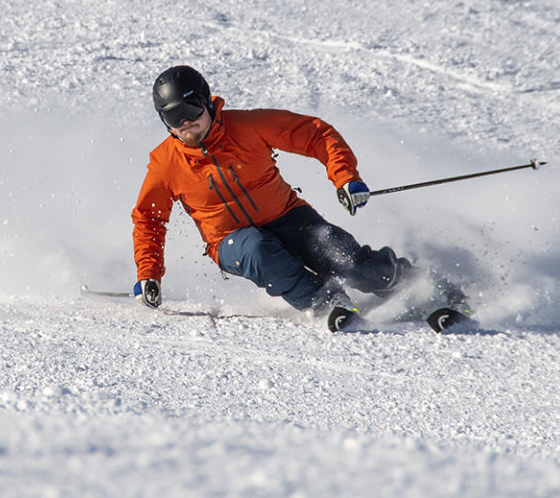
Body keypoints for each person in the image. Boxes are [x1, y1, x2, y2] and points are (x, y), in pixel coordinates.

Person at [132, 65, 416, 332]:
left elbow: (316, 134)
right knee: (261, 251)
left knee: (337, 253)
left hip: (287, 214)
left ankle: (409, 280)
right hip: (229, 240)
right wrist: (149, 274)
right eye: (174, 118)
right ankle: (326, 303)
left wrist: (346, 178)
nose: (186, 124)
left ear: (206, 103)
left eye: (192, 110)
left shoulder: (248, 126)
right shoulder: (166, 164)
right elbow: (149, 219)